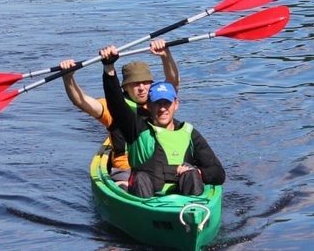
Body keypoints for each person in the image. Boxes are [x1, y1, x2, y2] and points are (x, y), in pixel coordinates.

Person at [100, 44, 225, 198]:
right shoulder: (137, 129)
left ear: (176, 104)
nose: (163, 108)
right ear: (149, 105)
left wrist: (198, 172)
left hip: (185, 203)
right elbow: (116, 104)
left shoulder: (189, 133)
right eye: (157, 103)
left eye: (167, 103)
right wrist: (109, 68)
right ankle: (145, 210)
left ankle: (194, 207)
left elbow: (218, 173)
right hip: (146, 200)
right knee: (141, 178)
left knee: (192, 175)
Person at [61, 39, 179, 187]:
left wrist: (165, 55)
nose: (141, 88)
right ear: (125, 87)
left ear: (151, 83)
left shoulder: (158, 103)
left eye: (145, 82)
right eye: (135, 84)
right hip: (125, 170)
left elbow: (173, 83)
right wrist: (68, 78)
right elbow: (81, 101)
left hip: (159, 164)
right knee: (127, 186)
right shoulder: (113, 106)